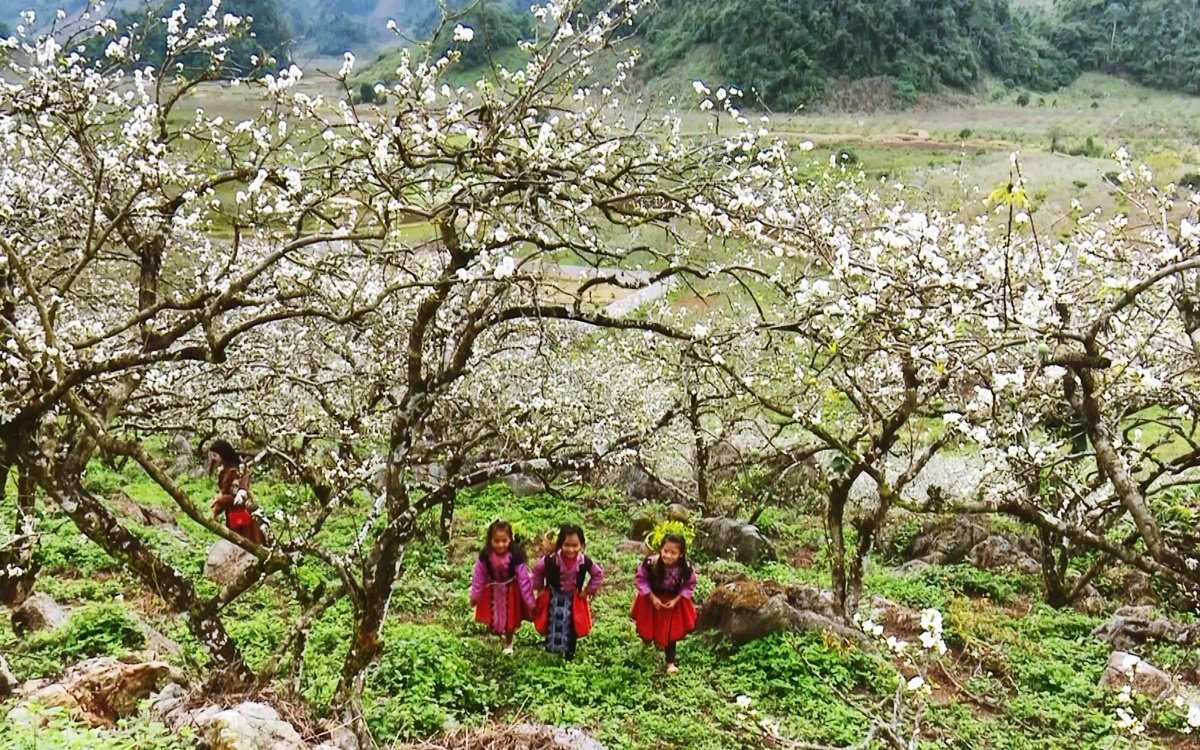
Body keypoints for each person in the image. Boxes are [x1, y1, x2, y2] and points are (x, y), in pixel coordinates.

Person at [531, 524, 604, 660]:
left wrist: (587, 591)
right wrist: (540, 588)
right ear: (560, 545)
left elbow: (598, 574)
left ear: (582, 545)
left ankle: (570, 652)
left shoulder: (584, 562)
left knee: (572, 624)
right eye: (567, 545)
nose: (571, 549)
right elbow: (537, 570)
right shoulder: (552, 560)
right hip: (553, 597)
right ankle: (551, 649)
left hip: (574, 599)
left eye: (575, 545)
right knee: (552, 621)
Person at [630, 533, 697, 673]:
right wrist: (652, 597)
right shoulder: (651, 563)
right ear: (660, 550)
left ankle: (670, 663)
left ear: (681, 554)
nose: (668, 556)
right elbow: (641, 579)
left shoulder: (685, 568)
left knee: (671, 633)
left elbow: (689, 584)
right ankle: (647, 640)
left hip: (672, 603)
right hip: (651, 599)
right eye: (665, 551)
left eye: (673, 553)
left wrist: (676, 599)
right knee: (647, 627)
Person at [469, 520, 535, 654]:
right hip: (492, 589)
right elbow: (479, 577)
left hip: (511, 591)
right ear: (490, 540)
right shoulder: (486, 555)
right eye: (496, 541)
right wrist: (475, 596)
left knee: (510, 619)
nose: (500, 545)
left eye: (504, 541)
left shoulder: (516, 555)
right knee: (494, 615)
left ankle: (508, 642)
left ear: (510, 539)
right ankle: (497, 632)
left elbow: (523, 579)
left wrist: (530, 602)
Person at [208, 439, 265, 546]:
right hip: (232, 512)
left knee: (246, 540)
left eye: (215, 455)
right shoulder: (225, 469)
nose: (213, 458)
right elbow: (224, 491)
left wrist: (219, 500)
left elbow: (234, 495)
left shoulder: (234, 471)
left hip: (241, 509)